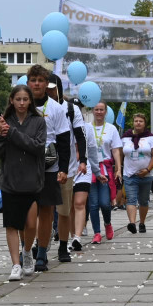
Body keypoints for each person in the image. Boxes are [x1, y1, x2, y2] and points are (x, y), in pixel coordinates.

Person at [0, 84, 47, 281]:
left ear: (30, 101)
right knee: (12, 225)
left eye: (25, 99)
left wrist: (13, 133)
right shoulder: (4, 122)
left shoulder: (39, 122)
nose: (22, 103)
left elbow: (37, 147)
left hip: (32, 181)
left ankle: (27, 252)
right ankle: (16, 264)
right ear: (11, 101)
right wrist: (0, 135)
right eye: (18, 99)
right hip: (10, 181)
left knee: (31, 223)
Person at [26, 64, 71, 272]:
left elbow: (64, 140)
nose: (36, 84)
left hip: (49, 167)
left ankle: (42, 252)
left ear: (46, 84)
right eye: (33, 80)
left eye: (40, 80)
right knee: (27, 213)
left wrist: (63, 168)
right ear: (28, 83)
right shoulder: (21, 104)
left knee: (46, 211)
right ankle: (26, 250)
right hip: (24, 167)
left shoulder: (56, 108)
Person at [49, 75, 89, 263]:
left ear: (58, 88)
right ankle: (39, 245)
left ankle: (63, 246)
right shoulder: (34, 107)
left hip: (67, 165)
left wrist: (84, 160)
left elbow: (80, 136)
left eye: (51, 87)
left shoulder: (70, 109)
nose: (47, 90)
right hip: (42, 166)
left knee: (64, 210)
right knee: (43, 209)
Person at [68, 98, 101, 251]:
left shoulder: (87, 128)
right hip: (67, 168)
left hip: (84, 168)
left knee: (80, 203)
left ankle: (77, 237)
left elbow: (93, 150)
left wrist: (97, 172)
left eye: (78, 108)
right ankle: (70, 235)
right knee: (68, 207)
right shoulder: (63, 124)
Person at [88, 102, 123, 243]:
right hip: (90, 169)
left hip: (105, 169)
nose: (99, 112)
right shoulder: (87, 128)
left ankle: (108, 223)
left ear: (106, 112)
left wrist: (118, 169)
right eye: (96, 109)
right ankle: (97, 233)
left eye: (101, 110)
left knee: (105, 203)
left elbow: (115, 150)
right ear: (92, 111)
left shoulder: (111, 128)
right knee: (93, 204)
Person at [122, 113, 153, 232]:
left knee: (143, 200)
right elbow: (118, 153)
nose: (138, 123)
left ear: (144, 124)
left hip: (146, 175)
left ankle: (142, 222)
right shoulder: (125, 138)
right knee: (131, 199)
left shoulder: (150, 138)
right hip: (129, 174)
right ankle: (132, 223)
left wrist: (148, 169)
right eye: (136, 121)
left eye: (141, 121)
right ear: (133, 123)